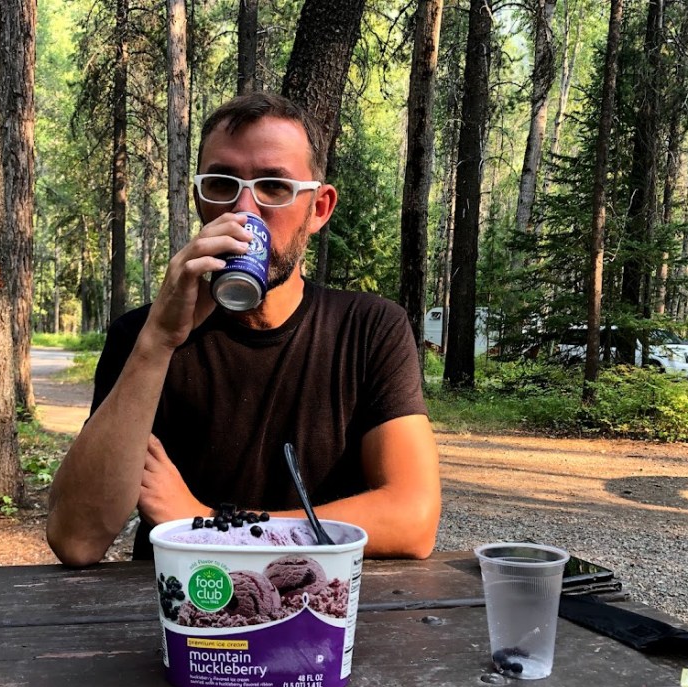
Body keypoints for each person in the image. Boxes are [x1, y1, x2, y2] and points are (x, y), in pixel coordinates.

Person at [47, 92, 441, 566]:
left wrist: (211, 526)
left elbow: (414, 518)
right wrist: (157, 343)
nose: (245, 209)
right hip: (185, 613)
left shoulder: (368, 328)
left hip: (318, 611)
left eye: (274, 187)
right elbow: (76, 538)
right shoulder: (143, 337)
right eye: (221, 183)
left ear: (318, 208)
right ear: (199, 199)